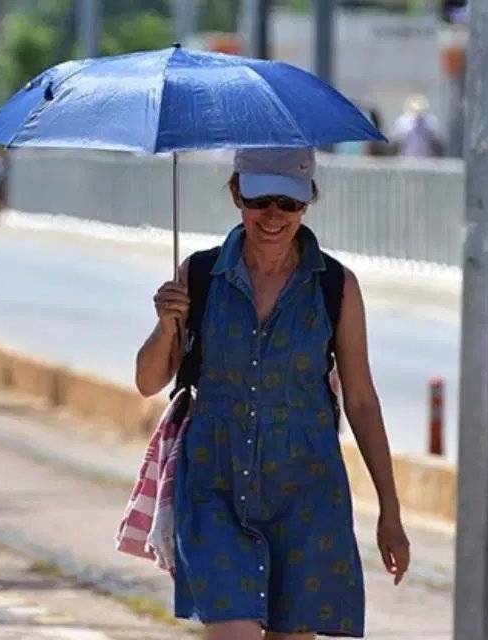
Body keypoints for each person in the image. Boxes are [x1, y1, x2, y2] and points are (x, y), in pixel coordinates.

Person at [134, 147, 410, 639]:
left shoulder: (335, 287)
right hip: (216, 487)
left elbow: (362, 400)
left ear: (308, 203)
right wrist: (166, 325)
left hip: (305, 492)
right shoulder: (199, 275)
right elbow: (148, 380)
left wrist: (390, 510)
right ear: (238, 192)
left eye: (290, 202)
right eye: (261, 199)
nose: (274, 216)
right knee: (233, 631)